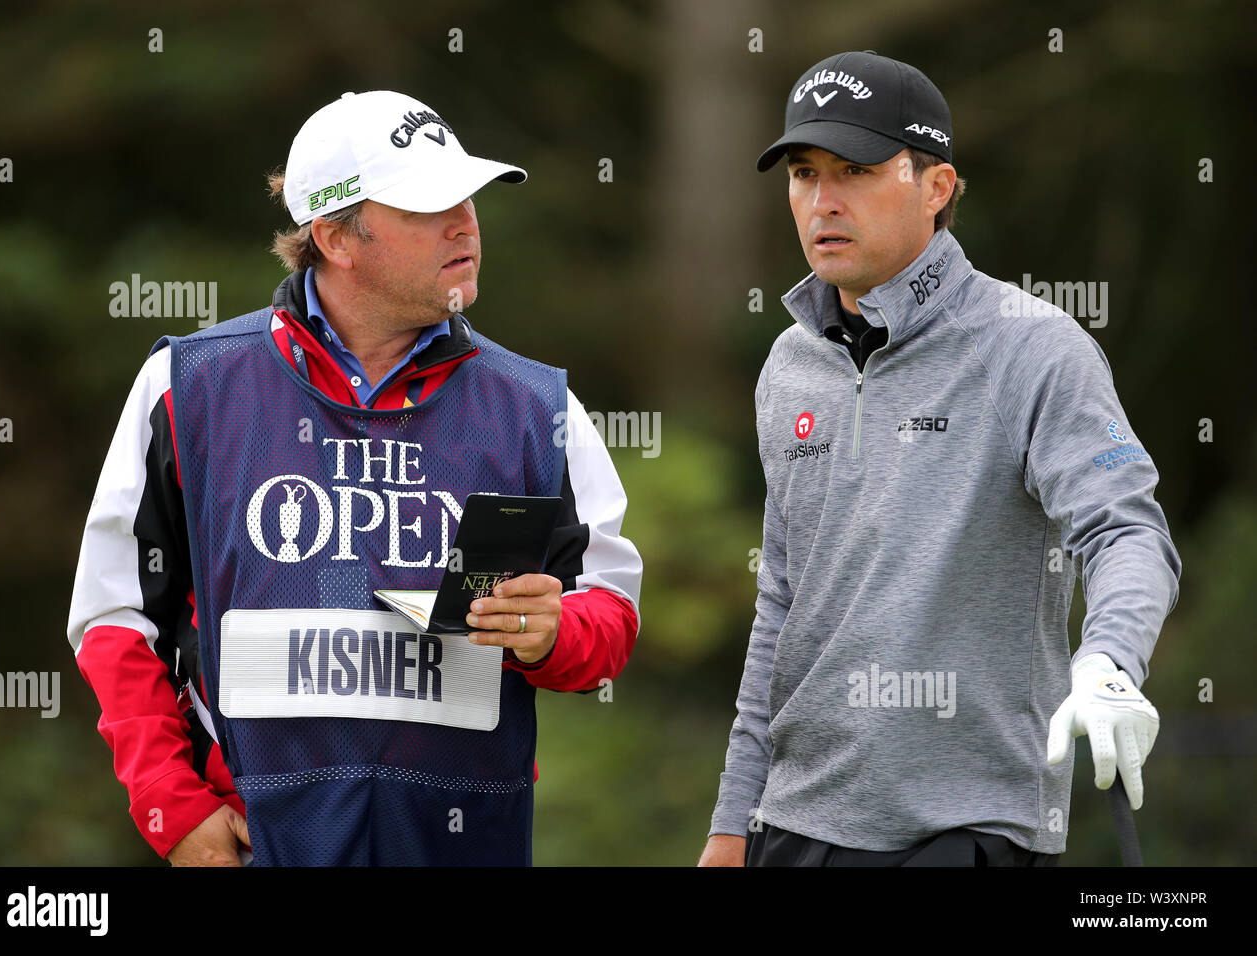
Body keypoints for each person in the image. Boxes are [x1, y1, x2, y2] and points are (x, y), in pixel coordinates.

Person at [67, 90, 642, 866]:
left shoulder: (540, 406)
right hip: (256, 842)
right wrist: (172, 806)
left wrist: (553, 634)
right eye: (427, 205)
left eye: (467, 196)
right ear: (336, 237)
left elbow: (609, 609)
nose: (465, 223)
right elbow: (115, 619)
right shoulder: (185, 386)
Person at [699, 51, 1180, 867]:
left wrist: (1109, 662)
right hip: (796, 823)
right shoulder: (788, 364)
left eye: (855, 170)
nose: (823, 201)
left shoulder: (1032, 346)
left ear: (936, 187)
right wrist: (732, 818)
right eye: (805, 173)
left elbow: (1127, 530)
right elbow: (780, 602)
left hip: (970, 827)